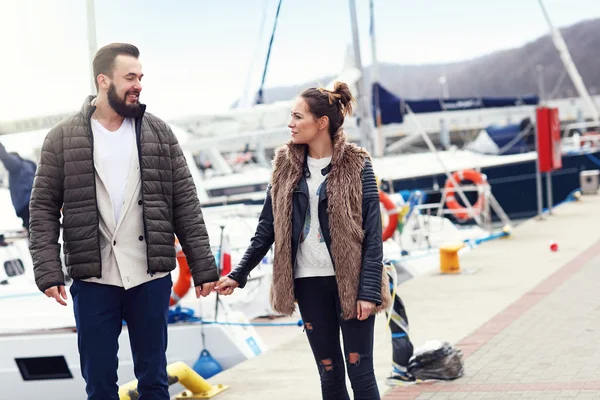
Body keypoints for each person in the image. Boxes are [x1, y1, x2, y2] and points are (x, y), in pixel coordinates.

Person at [29, 43, 219, 400]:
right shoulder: (61, 138)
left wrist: (204, 268)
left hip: (150, 275)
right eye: (130, 77)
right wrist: (48, 270)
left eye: (140, 77)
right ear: (103, 80)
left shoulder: (159, 133)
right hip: (93, 278)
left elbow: (186, 204)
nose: (138, 85)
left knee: (154, 380)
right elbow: (42, 209)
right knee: (99, 383)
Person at [216, 81, 392, 399]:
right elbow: (266, 228)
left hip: (351, 284)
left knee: (360, 372)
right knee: (329, 373)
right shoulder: (284, 166)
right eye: (291, 116)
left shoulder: (358, 163)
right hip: (308, 284)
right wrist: (237, 274)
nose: (290, 123)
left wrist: (368, 292)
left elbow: (373, 234)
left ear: (321, 122)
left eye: (298, 116)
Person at [0, 142, 36, 232]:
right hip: (36, 199)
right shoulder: (29, 164)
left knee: (33, 230)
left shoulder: (15, 165)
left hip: (25, 203)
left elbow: (5, 157)